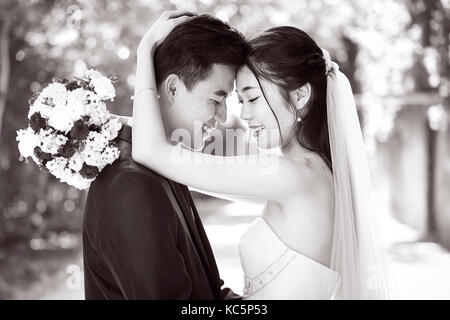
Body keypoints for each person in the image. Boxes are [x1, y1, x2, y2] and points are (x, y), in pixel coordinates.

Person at [131, 12, 396, 299]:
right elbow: (182, 168)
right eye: (241, 101)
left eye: (253, 98)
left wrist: (145, 51)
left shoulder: (292, 176)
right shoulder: (310, 172)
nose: (244, 115)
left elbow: (151, 152)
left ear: (299, 96)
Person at [82, 11, 246, 299]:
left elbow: (208, 292)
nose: (223, 116)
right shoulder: (131, 185)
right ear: (172, 87)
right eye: (216, 99)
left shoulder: (164, 161)